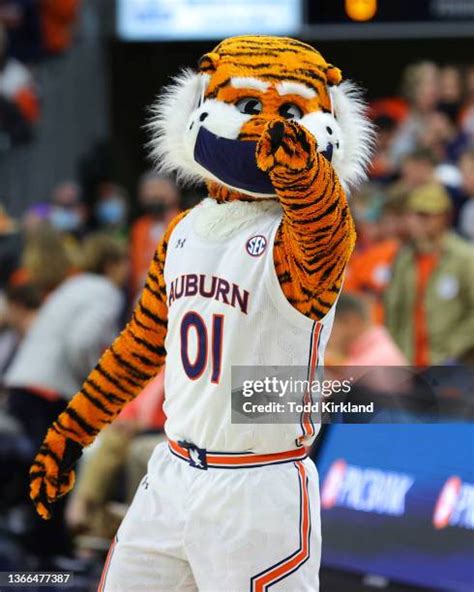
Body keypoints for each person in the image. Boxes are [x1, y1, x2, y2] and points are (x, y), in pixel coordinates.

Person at [28, 36, 374, 592]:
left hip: (258, 488)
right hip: (171, 473)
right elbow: (140, 346)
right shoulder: (184, 229)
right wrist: (73, 430)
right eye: (248, 107)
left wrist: (305, 176)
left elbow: (325, 231)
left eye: (287, 110)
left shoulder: (292, 237)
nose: (264, 123)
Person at [385, 183, 474, 365]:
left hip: (452, 363)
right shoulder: (404, 258)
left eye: (425, 215)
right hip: (409, 361)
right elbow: (394, 310)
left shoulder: (465, 258)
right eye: (413, 214)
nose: (416, 221)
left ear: (445, 218)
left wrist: (453, 349)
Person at [129, 172, 180, 297]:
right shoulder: (138, 227)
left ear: (173, 195)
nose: (155, 200)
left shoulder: (183, 222)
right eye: (151, 196)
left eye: (159, 196)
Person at [327, 293, 407, 366]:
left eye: (329, 326)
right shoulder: (375, 347)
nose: (326, 335)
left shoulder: (377, 358)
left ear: (350, 321)